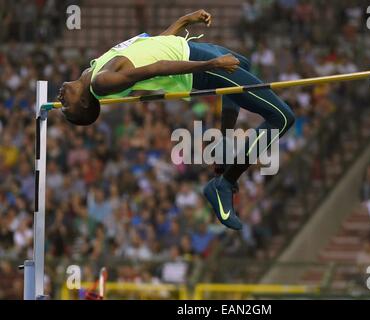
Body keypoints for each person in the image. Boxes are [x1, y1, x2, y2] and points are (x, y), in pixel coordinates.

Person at [58, 9, 295, 231]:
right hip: (198, 64)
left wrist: (184, 21)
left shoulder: (94, 68)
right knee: (282, 117)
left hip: (190, 49)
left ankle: (224, 142)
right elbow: (157, 68)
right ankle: (224, 182)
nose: (60, 100)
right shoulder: (102, 82)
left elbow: (152, 46)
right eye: (66, 107)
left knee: (243, 63)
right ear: (85, 103)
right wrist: (210, 65)